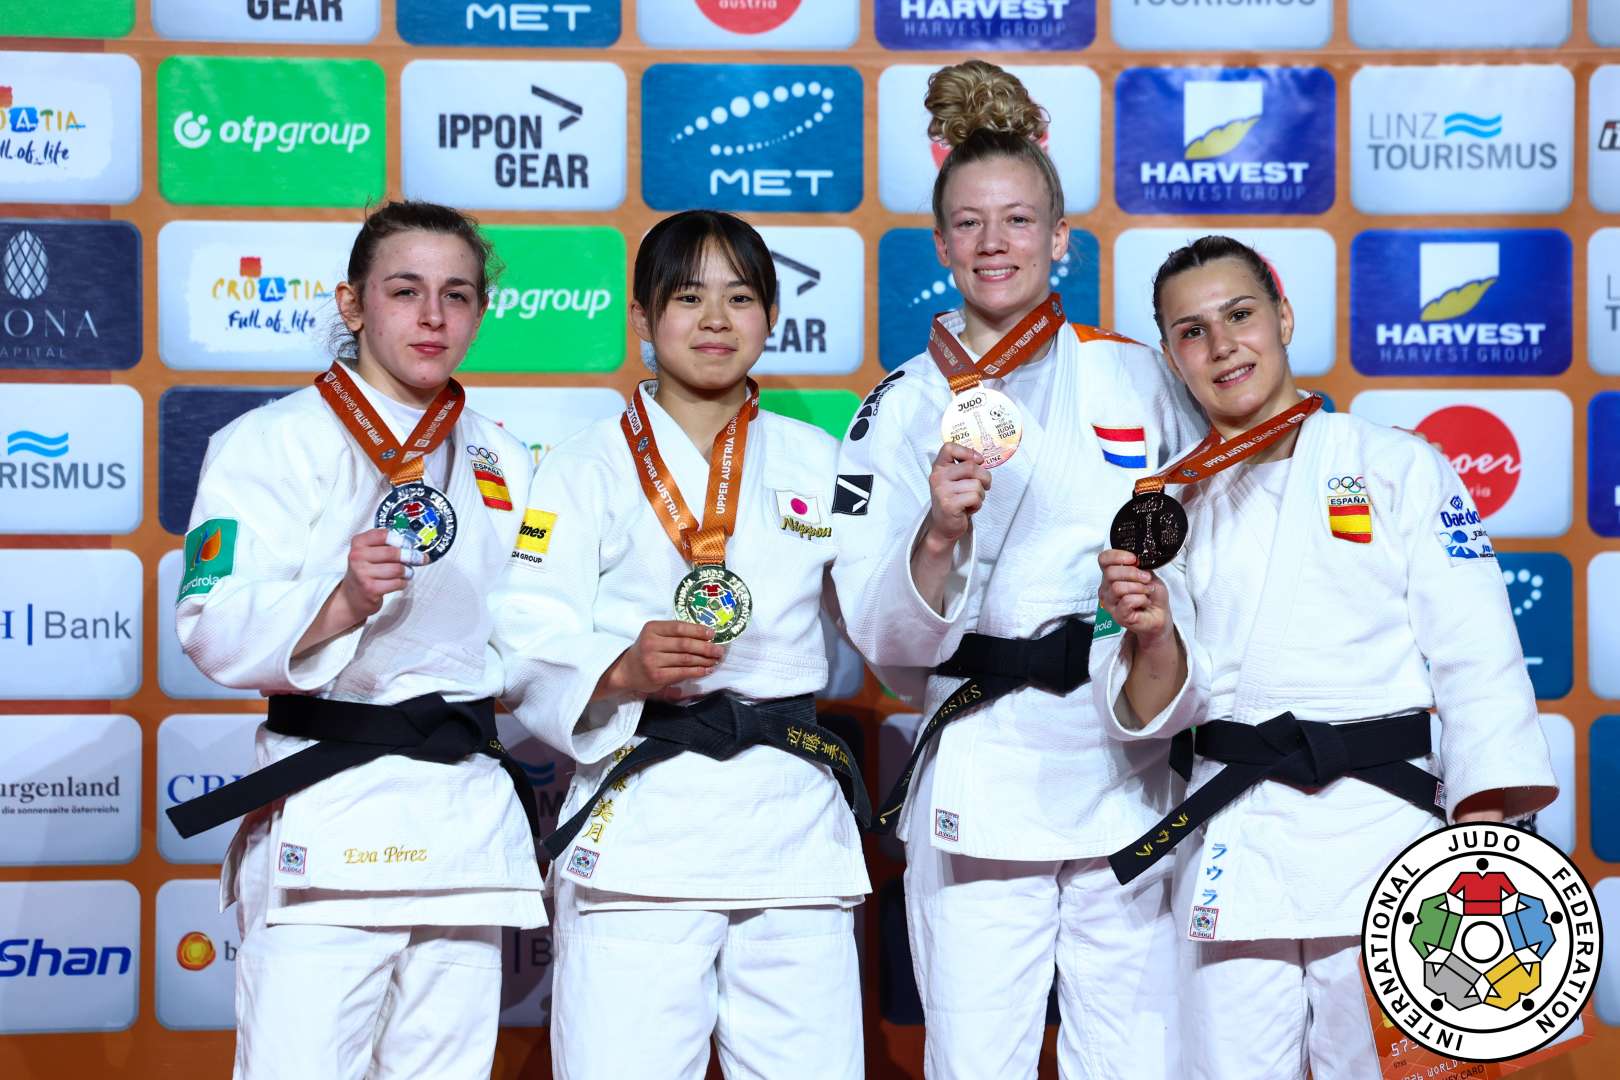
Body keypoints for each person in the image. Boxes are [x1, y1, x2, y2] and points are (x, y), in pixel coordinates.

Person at [1093, 234, 1558, 1079]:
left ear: (1282, 315)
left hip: (1387, 842)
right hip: (1239, 841)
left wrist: (1480, 843)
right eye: (1192, 331)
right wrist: (1151, 633)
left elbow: (1478, 656)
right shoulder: (1160, 506)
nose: (1223, 343)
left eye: (1240, 314)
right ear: (1171, 356)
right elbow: (1150, 705)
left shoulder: (1395, 464)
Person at [832, 60, 1206, 1079]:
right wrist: (939, 537)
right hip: (983, 764)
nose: (994, 245)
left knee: (1134, 1060)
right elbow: (879, 632)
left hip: (1124, 763)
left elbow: (1203, 553)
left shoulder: (1139, 375)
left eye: (1018, 221)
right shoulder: (899, 406)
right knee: (976, 1061)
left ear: (1060, 239)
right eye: (969, 224)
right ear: (941, 243)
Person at [167, 200, 544, 1080]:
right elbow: (209, 623)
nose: (432, 316)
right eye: (405, 291)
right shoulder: (266, 444)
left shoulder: (507, 460)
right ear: (352, 304)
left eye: (457, 295)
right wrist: (336, 602)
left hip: (463, 827)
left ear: (481, 312)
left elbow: (533, 631)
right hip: (330, 827)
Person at [492, 209, 870, 1080]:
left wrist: (936, 538)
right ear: (641, 322)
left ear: (771, 318)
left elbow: (884, 620)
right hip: (642, 830)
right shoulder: (580, 467)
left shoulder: (826, 463)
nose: (715, 320)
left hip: (791, 830)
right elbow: (524, 632)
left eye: (740, 297)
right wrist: (621, 669)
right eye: (688, 296)